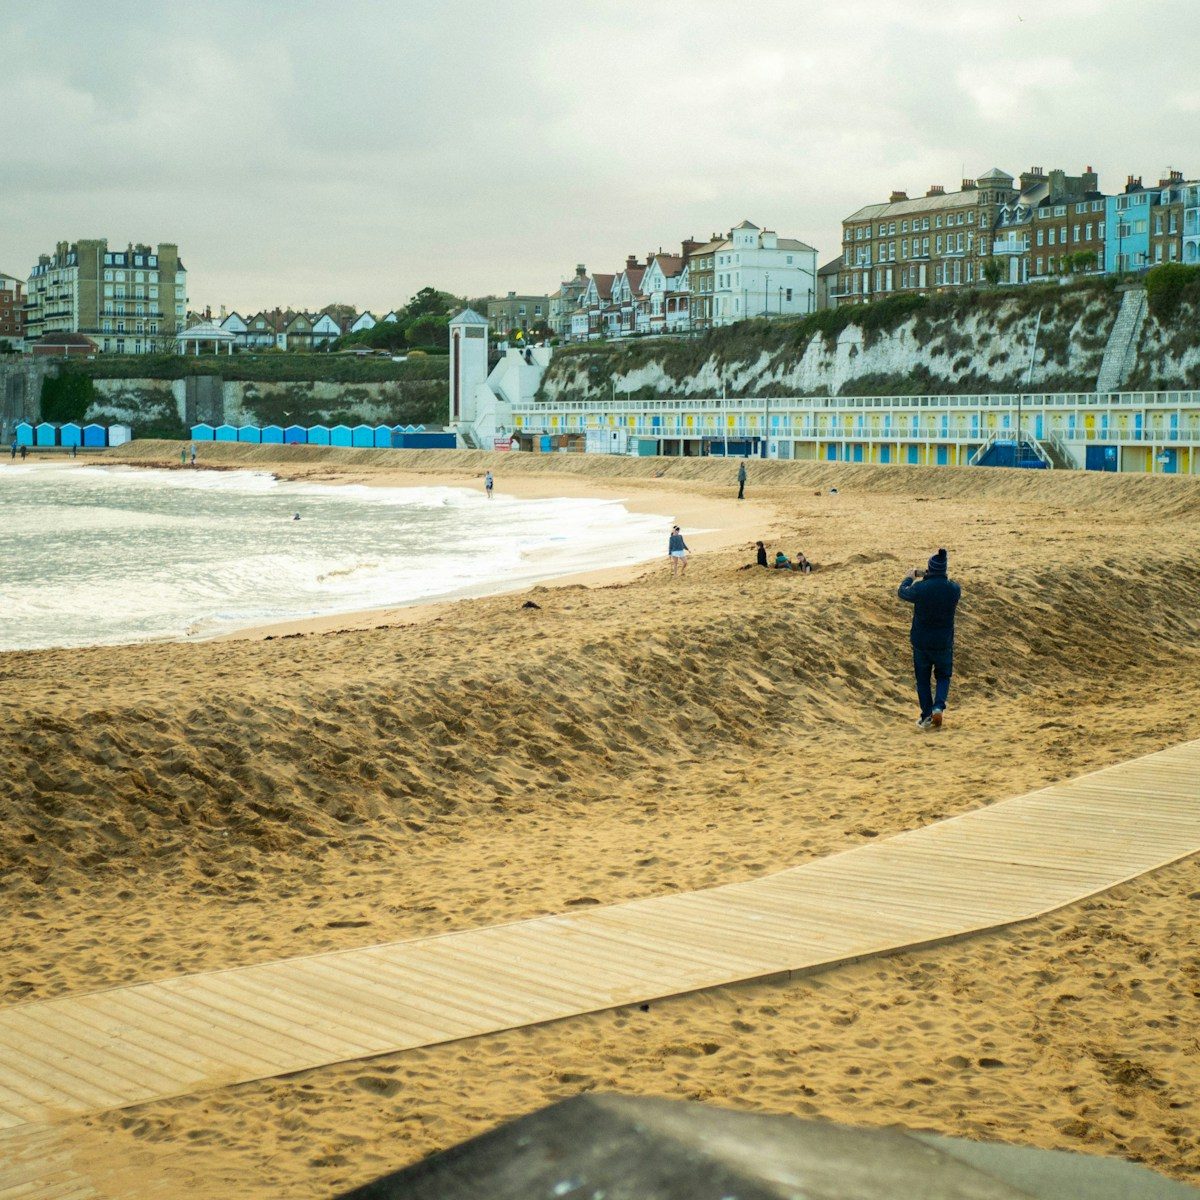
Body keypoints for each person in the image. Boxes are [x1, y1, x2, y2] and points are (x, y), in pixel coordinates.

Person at [898, 548, 961, 730]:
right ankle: (938, 707)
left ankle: (926, 716)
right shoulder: (953, 589)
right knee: (943, 676)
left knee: (923, 680)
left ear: (929, 569)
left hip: (922, 642)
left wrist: (910, 577)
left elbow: (902, 592)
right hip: (944, 642)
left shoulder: (921, 588)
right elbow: (950, 584)